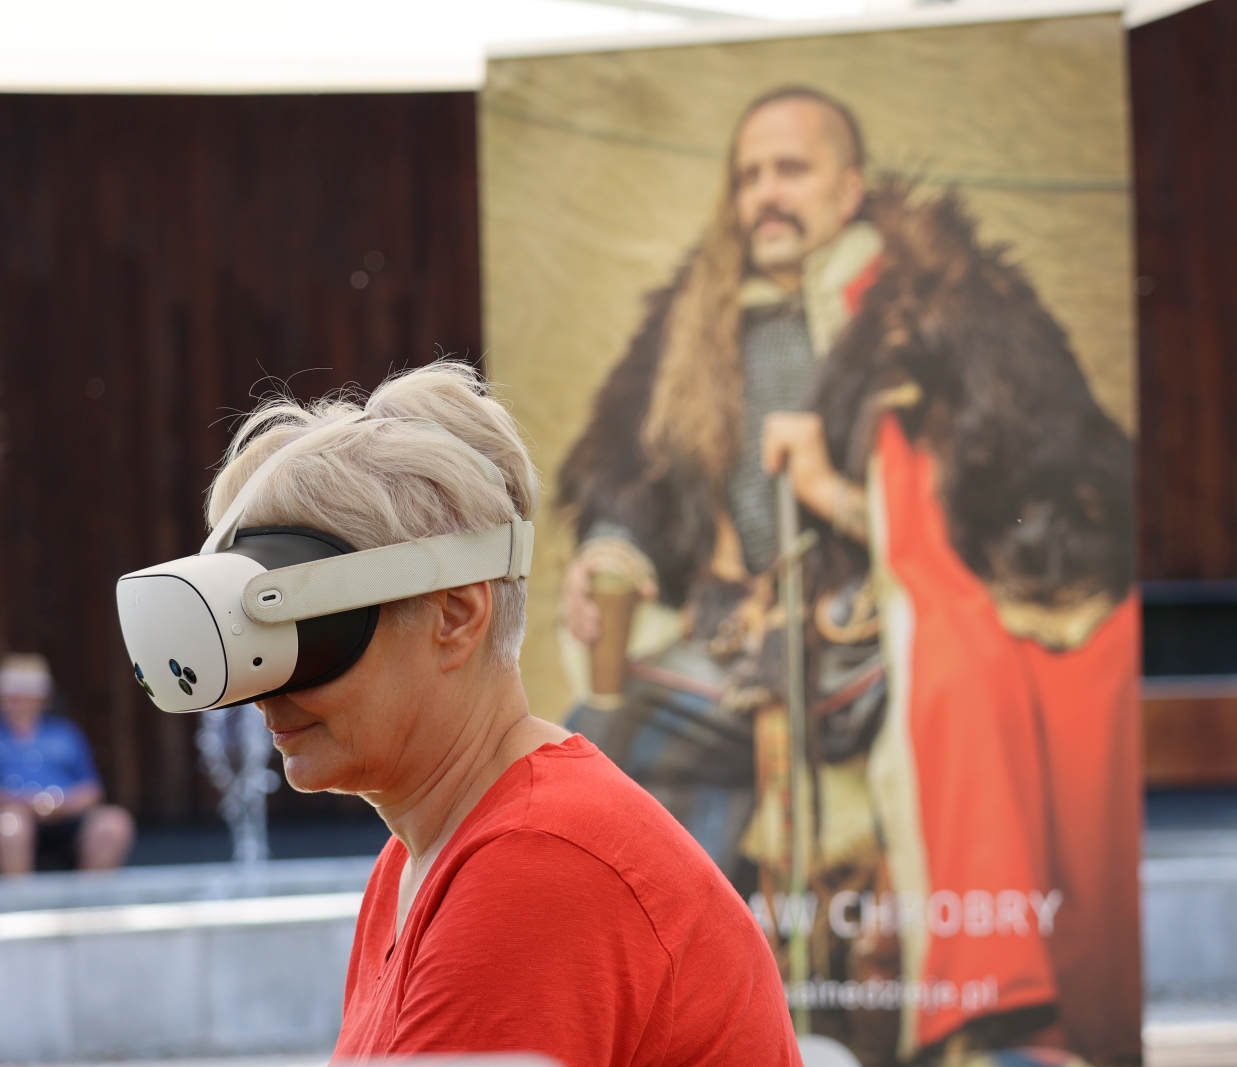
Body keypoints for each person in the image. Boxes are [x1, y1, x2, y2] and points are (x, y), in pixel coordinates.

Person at [558, 87, 1140, 1065]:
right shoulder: (692, 329)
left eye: (790, 170)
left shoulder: (946, 314)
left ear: (850, 186)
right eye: (748, 176)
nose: (765, 194)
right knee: (599, 746)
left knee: (946, 700)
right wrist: (610, 551)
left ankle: (980, 1028)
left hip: (883, 641)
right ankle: (672, 1022)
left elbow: (1024, 492)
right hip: (737, 639)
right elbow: (634, 477)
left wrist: (837, 491)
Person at [204, 364, 797, 1064]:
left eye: (313, 630)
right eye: (266, 644)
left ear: (456, 615)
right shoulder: (422, 857)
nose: (269, 690)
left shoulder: (537, 862)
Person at [0, 653, 135, 875]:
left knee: (114, 822)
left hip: (69, 822)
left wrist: (57, 805)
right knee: (11, 826)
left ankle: (91, 896)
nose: (18, 701)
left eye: (26, 694)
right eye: (13, 695)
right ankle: (19, 896)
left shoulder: (66, 734)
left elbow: (92, 790)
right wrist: (25, 804)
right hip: (13, 823)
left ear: (43, 697)